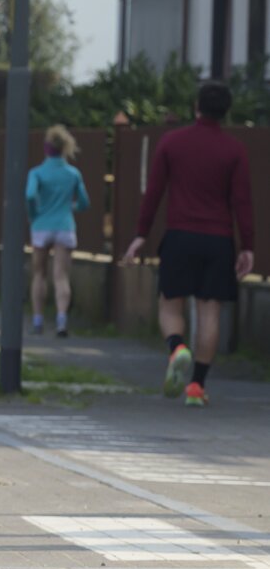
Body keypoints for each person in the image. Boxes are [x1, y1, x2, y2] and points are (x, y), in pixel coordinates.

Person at [121, 80, 255, 407]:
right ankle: (196, 386)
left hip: (180, 236)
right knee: (210, 313)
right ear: (226, 111)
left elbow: (154, 192)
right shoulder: (234, 150)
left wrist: (141, 234)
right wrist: (247, 246)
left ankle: (177, 347)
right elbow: (242, 201)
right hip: (218, 240)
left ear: (197, 107)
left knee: (170, 304)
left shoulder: (172, 142)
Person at [25, 124, 91, 337]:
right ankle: (62, 320)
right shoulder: (73, 174)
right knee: (61, 276)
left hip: (41, 226)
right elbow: (84, 202)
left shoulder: (37, 173)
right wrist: (70, 207)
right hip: (64, 225)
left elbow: (30, 195)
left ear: (46, 148)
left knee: (39, 273)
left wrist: (34, 213)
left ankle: (38, 320)